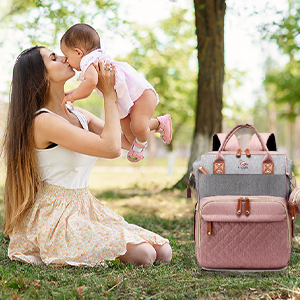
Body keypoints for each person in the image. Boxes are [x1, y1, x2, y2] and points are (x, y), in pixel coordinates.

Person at [2, 45, 172, 267]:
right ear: (41, 76)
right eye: (54, 58)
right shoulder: (43, 121)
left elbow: (127, 141)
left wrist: (141, 111)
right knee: (144, 255)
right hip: (55, 216)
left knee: (164, 251)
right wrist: (108, 94)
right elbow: (110, 149)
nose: (65, 58)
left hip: (85, 206)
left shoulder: (78, 114)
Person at [60, 23, 172, 163]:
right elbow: (88, 86)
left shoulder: (88, 61)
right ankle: (141, 139)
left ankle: (158, 123)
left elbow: (90, 83)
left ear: (78, 52)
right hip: (122, 100)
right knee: (130, 136)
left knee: (138, 127)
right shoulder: (93, 59)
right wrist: (74, 92)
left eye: (66, 55)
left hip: (139, 95)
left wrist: (73, 96)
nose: (66, 61)